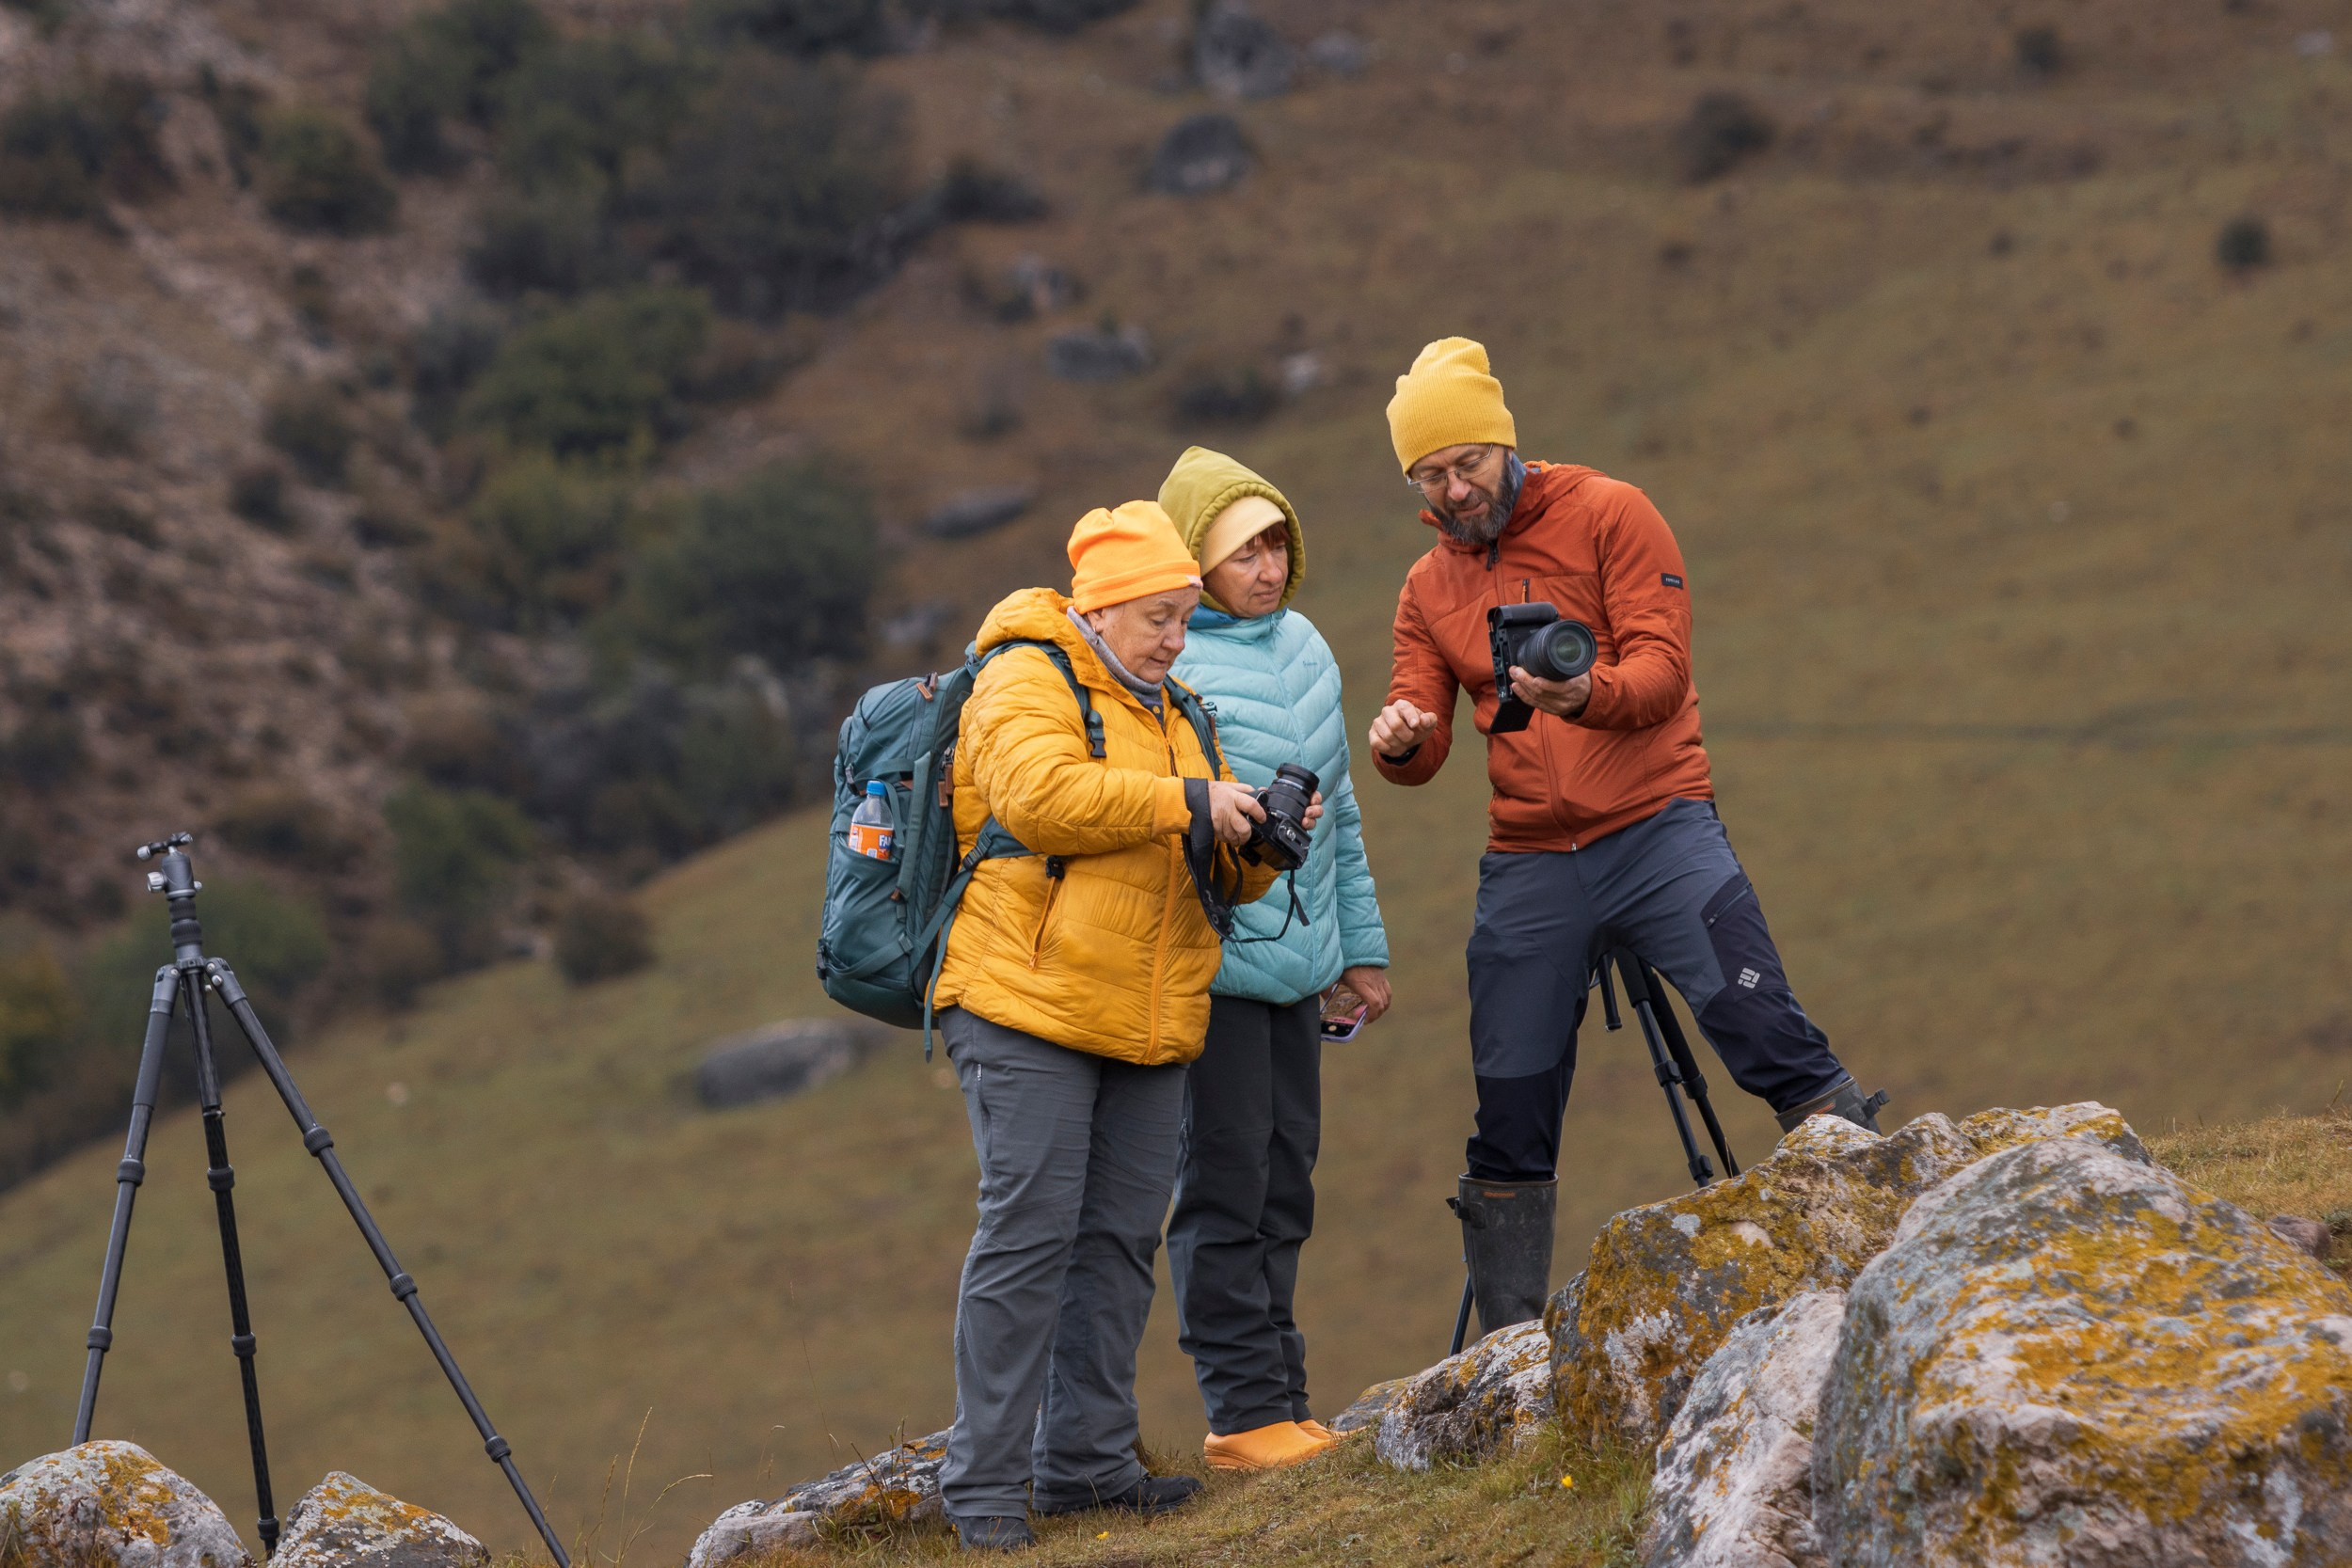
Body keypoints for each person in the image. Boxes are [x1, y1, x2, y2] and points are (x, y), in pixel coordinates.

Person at [1366, 338, 1885, 1339]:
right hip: (1528, 857)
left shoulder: (1611, 512)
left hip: (1656, 825)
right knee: (1508, 1105)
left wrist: (1582, 692)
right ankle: (1512, 1349)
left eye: (1465, 460)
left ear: (1501, 439)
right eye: (1428, 473)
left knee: (1767, 1033)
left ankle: (1891, 1237)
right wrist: (1400, 737)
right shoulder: (1426, 586)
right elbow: (1417, 735)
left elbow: (1661, 673)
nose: (1453, 487)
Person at [930, 499, 1306, 1551]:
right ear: (1097, 605)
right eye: (1157, 617)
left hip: (1146, 1015)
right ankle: (984, 1487)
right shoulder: (1024, 671)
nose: (1175, 638)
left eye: (1184, 617)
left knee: (1116, 1240)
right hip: (1025, 1000)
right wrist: (1187, 798)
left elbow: (1196, 858)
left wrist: (1259, 839)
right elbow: (1038, 796)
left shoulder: (1174, 706)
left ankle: (1086, 1465)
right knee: (1028, 1230)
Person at [1157, 448, 1391, 1472]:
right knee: (1223, 1185)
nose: (1264, 564)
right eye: (1240, 548)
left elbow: (1336, 811)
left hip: (1303, 969)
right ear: (1192, 565)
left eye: (1274, 542)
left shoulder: (1305, 644)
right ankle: (1241, 1411)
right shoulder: (1170, 668)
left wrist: (1363, 950)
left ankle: (1284, 1400)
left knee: (1285, 1181)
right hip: (1214, 973)